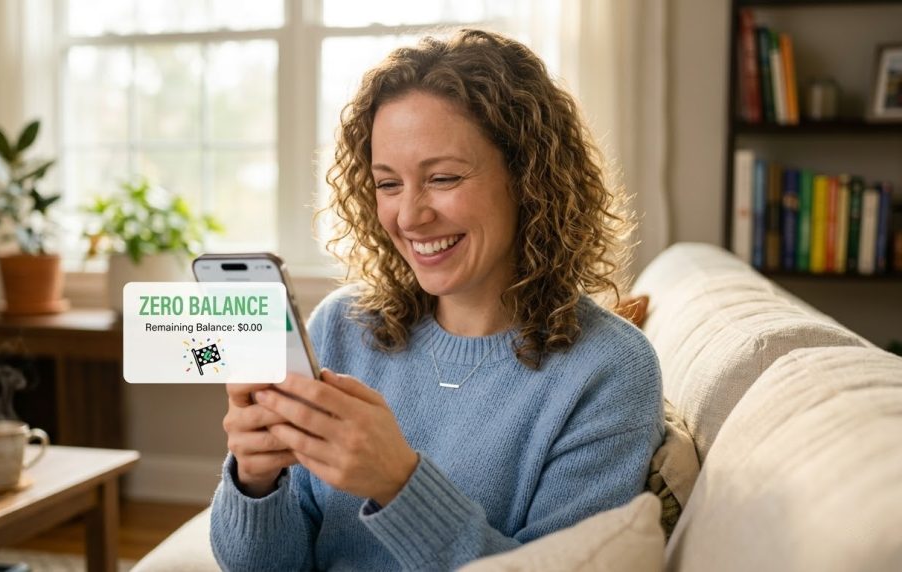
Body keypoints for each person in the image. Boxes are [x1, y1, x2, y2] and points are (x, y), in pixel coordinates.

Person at [210, 28, 664, 571]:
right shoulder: (343, 327)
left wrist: (398, 485)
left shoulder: (609, 371)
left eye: (443, 177)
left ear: (528, 178)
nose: (409, 216)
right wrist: (255, 481)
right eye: (388, 184)